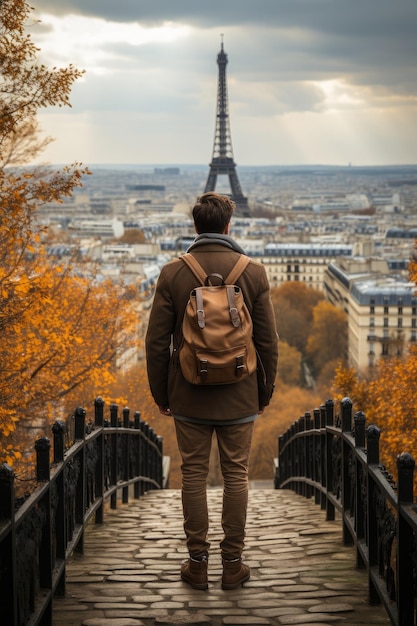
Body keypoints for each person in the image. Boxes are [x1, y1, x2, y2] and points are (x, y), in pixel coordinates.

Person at [145, 192, 278, 590]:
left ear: (195, 226)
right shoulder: (253, 272)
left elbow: (155, 342)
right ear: (228, 227)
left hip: (187, 391)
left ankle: (197, 563)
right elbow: (269, 342)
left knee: (194, 476)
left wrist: (161, 394)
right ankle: (233, 564)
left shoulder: (173, 273)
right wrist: (264, 391)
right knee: (237, 474)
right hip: (240, 392)